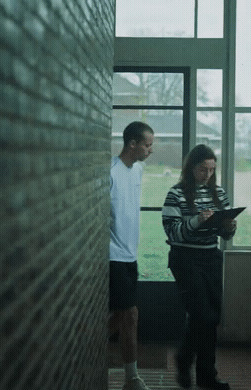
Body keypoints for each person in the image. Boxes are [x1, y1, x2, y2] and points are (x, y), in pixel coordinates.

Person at [162, 144, 237, 390]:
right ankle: (185, 361)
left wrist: (228, 228)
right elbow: (172, 232)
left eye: (211, 170)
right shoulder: (176, 194)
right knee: (202, 315)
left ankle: (204, 375)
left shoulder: (219, 194)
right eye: (203, 169)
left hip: (210, 257)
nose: (207, 174)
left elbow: (224, 236)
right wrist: (196, 221)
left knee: (211, 318)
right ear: (191, 167)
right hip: (185, 260)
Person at [109, 121, 155, 390]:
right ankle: (132, 379)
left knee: (121, 316)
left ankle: (81, 344)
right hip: (113, 254)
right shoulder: (110, 171)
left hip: (130, 255)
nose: (151, 150)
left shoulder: (138, 169)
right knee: (131, 314)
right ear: (132, 144)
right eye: (148, 144)